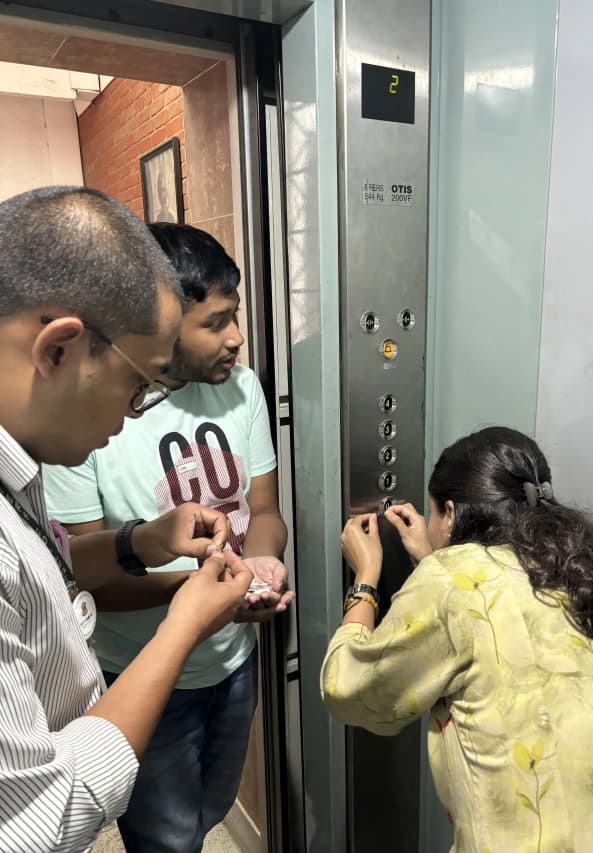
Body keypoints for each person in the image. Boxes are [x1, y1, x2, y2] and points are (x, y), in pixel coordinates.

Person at [0, 185, 254, 853]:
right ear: (57, 350)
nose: (130, 415)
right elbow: (42, 816)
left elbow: (49, 579)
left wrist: (143, 539)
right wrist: (185, 619)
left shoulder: (18, 468)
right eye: (139, 384)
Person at [44, 222, 293, 853]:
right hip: (142, 674)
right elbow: (85, 578)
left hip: (235, 661)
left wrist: (261, 565)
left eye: (235, 318)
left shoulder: (243, 387)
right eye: (214, 324)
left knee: (206, 813)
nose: (235, 338)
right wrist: (196, 598)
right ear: (158, 324)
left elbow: (263, 510)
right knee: (168, 840)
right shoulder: (90, 416)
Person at [321, 426, 593, 852]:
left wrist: (365, 577)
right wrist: (433, 557)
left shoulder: (449, 580)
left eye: (434, 514)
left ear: (450, 514)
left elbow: (348, 689)